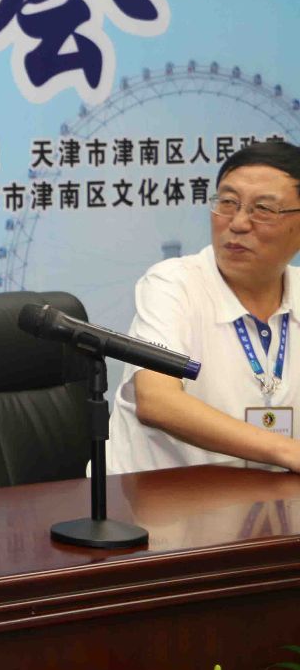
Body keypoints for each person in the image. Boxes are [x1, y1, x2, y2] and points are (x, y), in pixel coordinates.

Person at [110, 140, 300, 474]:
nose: (238, 223)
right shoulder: (172, 284)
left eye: (263, 209)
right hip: (153, 499)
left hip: (271, 498)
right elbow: (157, 401)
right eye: (227, 203)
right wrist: (286, 451)